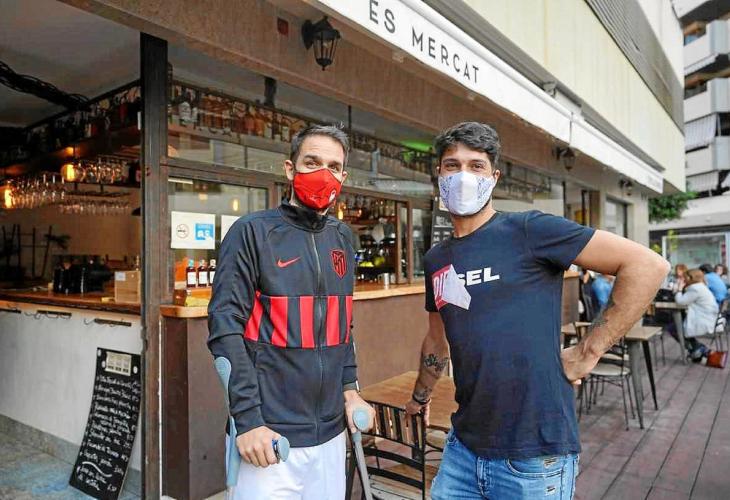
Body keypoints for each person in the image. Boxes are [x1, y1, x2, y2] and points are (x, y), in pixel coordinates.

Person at [405, 122, 670, 499]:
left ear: (494, 177)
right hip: (463, 448)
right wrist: (420, 397)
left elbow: (647, 266)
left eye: (476, 166)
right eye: (453, 165)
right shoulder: (437, 258)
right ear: (439, 174)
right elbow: (437, 339)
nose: (463, 175)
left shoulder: (528, 230)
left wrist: (588, 351)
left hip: (534, 456)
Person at [207, 125, 374, 499]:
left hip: (331, 435)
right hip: (268, 436)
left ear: (343, 177)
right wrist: (248, 420)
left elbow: (342, 324)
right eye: (312, 162)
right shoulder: (252, 232)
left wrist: (351, 390)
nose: (323, 174)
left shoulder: (343, 238)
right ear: (289, 168)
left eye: (333, 167)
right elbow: (224, 328)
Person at [669, 268, 719, 362]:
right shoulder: (699, 286)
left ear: (690, 277)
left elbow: (680, 302)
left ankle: (698, 349)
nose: (684, 279)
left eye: (685, 277)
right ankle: (696, 350)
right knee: (675, 327)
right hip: (707, 317)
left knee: (673, 328)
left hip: (703, 320)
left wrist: (679, 289)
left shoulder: (695, 289)